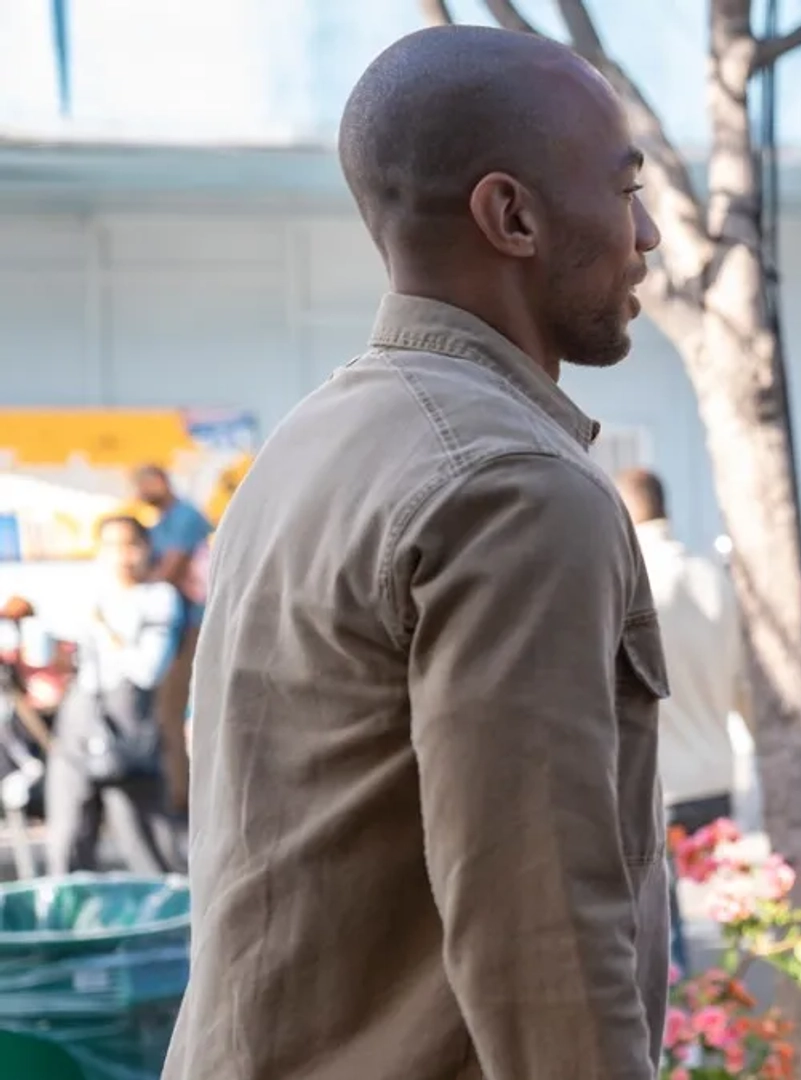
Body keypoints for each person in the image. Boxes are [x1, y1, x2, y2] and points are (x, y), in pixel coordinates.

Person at [163, 25, 671, 1080]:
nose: (651, 233)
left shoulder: (316, 437)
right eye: (625, 192)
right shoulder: (514, 487)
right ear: (512, 216)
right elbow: (542, 941)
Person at [614, 468, 743, 978]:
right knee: (721, 922)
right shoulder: (713, 578)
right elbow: (744, 682)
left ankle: (680, 1044)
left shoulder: (629, 578)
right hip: (717, 771)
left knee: (660, 935)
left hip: (659, 777)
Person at [43, 515, 183, 876]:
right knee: (69, 836)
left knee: (146, 842)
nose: (121, 556)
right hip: (81, 719)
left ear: (145, 549)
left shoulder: (158, 598)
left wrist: (104, 628)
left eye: (130, 545)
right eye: (111, 546)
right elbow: (54, 652)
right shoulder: (83, 595)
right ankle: (72, 922)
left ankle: (168, 924)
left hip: (130, 725)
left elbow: (148, 669)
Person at [131, 464, 209, 816]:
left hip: (192, 626)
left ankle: (185, 796)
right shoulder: (160, 522)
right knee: (168, 713)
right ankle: (180, 790)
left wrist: (139, 576)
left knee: (175, 710)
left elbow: (168, 571)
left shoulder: (185, 517)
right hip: (173, 627)